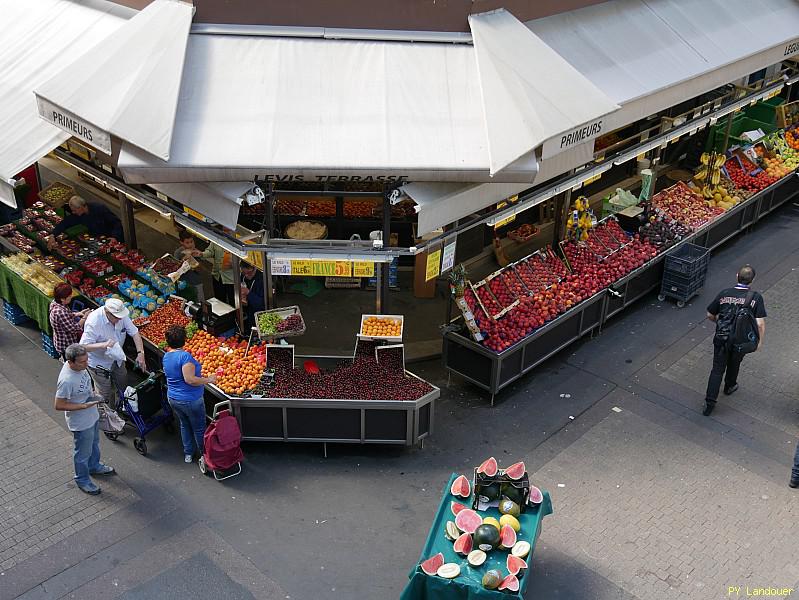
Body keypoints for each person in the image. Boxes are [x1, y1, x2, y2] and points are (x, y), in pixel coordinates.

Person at [702, 265, 766, 416]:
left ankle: (710, 403)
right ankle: (730, 386)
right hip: (740, 341)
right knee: (735, 363)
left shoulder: (724, 294)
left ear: (737, 276)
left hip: (722, 338)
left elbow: (710, 314)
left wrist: (720, 322)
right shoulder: (755, 298)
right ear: (752, 280)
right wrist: (759, 342)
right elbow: (760, 323)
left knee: (717, 369)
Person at [54, 343, 115, 495]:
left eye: (86, 360)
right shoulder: (66, 381)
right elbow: (59, 405)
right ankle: (82, 479)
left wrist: (93, 396)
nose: (86, 364)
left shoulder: (81, 367)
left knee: (94, 443)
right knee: (82, 453)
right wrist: (82, 406)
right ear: (70, 362)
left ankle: (94, 466)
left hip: (91, 416)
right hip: (81, 423)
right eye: (82, 362)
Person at [163, 325, 217, 463]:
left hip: (173, 398)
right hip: (190, 400)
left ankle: (188, 454)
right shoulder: (185, 356)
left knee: (184, 424)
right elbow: (190, 379)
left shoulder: (167, 355)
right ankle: (205, 456)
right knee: (199, 428)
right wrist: (208, 379)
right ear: (184, 340)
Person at [80, 298, 147, 408]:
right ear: (107, 313)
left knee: (122, 383)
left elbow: (135, 333)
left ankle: (121, 405)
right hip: (99, 363)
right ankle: (107, 415)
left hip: (118, 359)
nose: (119, 320)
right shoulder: (94, 322)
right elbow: (83, 346)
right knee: (104, 393)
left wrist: (141, 353)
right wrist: (103, 345)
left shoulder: (121, 316)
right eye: (116, 317)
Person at [46, 195, 124, 249]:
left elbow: (116, 223)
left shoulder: (100, 209)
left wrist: (115, 237)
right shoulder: (79, 215)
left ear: (81, 207)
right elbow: (65, 223)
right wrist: (53, 235)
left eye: (74, 210)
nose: (73, 212)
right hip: (98, 240)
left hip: (111, 238)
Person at [49, 282, 90, 359]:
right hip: (66, 344)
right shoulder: (59, 312)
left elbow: (67, 315)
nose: (71, 297)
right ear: (62, 299)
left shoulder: (56, 303)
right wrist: (85, 317)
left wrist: (78, 314)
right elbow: (74, 329)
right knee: (70, 362)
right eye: (69, 296)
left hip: (61, 340)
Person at [173, 230, 205, 303]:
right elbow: (176, 270)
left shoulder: (197, 253)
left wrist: (193, 261)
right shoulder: (178, 253)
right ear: (181, 242)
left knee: (200, 303)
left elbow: (201, 269)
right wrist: (184, 260)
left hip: (196, 283)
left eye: (191, 241)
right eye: (187, 242)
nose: (190, 244)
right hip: (184, 284)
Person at [240, 262, 265, 329]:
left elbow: (261, 304)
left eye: (249, 273)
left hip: (260, 315)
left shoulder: (262, 280)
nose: (247, 276)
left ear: (255, 268)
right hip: (248, 313)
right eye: (244, 273)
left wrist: (248, 293)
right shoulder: (243, 277)